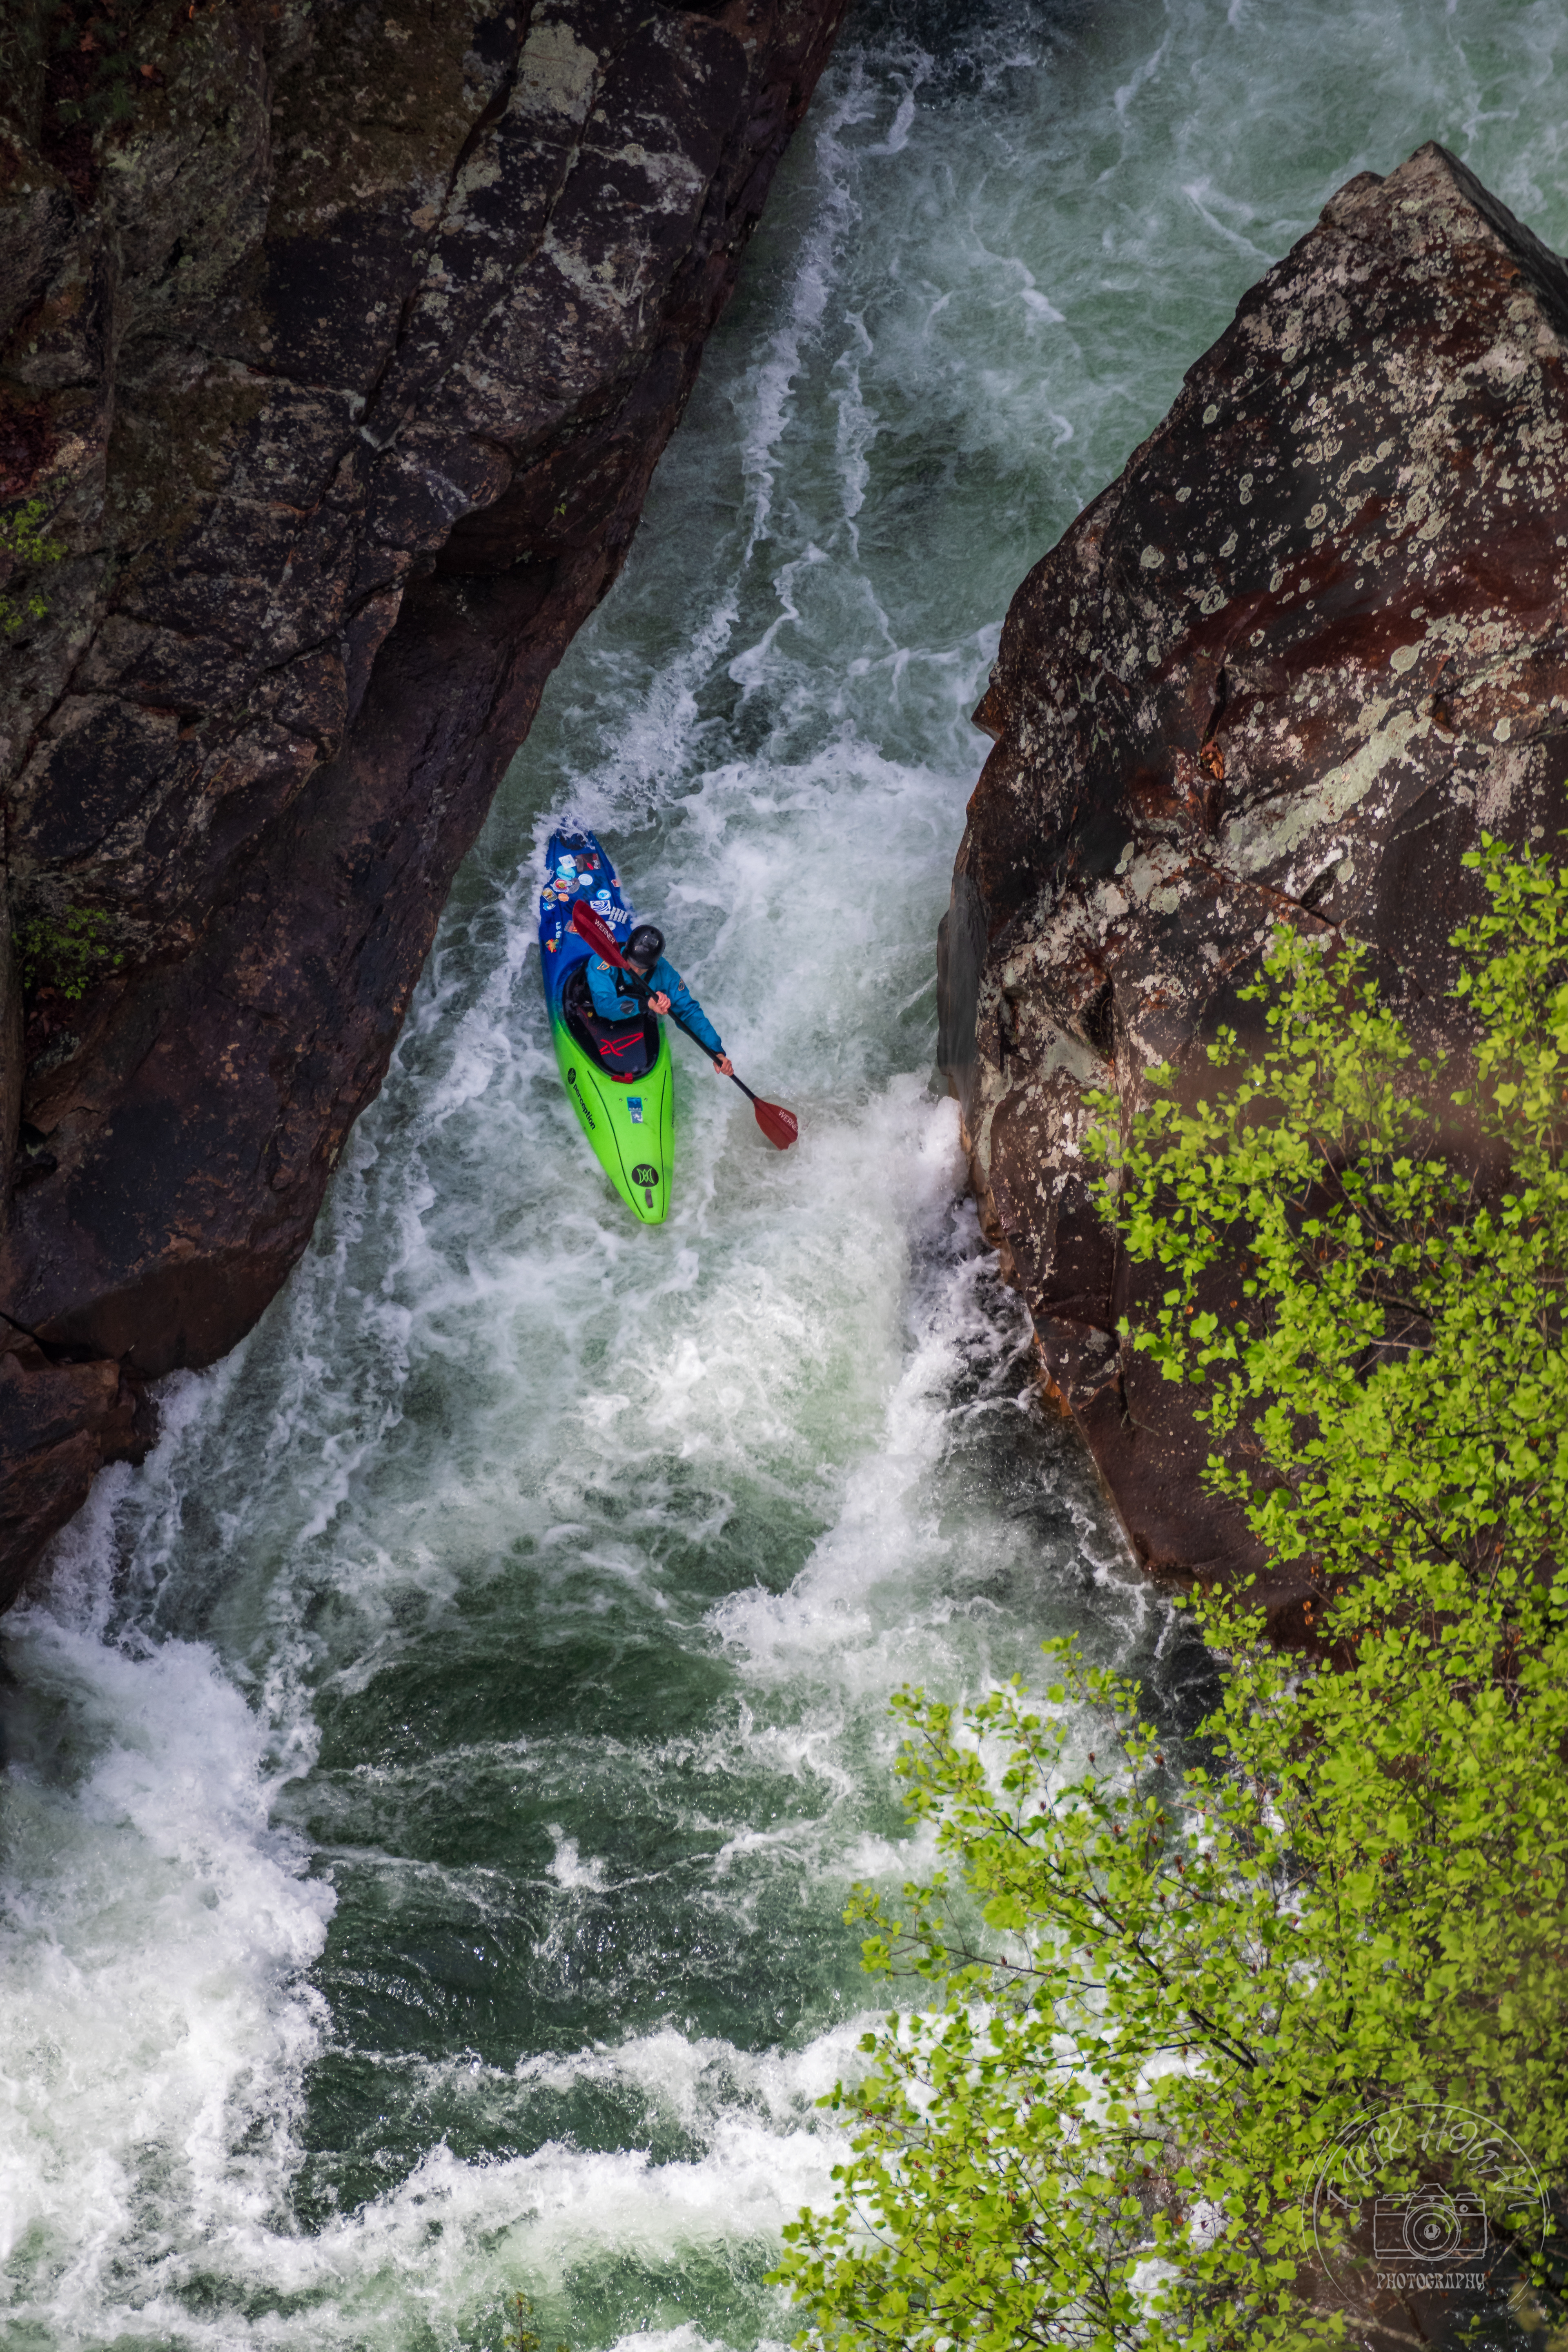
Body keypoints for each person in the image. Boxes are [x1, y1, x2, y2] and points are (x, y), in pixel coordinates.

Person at [587, 924, 734, 1076]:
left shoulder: (664, 972)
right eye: (633, 963)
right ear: (627, 954)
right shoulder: (601, 961)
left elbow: (689, 1012)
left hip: (635, 1021)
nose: (636, 971)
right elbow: (604, 1006)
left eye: (642, 967)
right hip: (594, 1014)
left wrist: (716, 1051)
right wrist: (646, 1004)